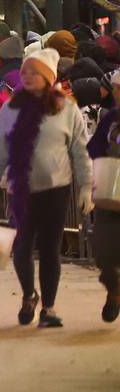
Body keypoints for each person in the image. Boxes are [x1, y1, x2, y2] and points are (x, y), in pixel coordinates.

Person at [0, 47, 93, 328]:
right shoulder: (11, 108)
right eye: (25, 71)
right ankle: (29, 295)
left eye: (34, 72)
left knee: (50, 250)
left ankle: (48, 308)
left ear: (48, 77)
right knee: (22, 248)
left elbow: (79, 149)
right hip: (20, 189)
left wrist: (86, 186)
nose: (27, 76)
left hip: (56, 189)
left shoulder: (66, 108)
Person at [88, 71, 120, 322]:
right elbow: (94, 149)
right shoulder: (110, 119)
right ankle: (114, 289)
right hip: (109, 193)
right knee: (104, 255)